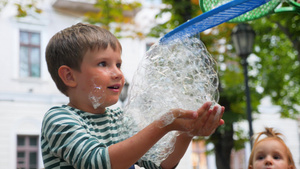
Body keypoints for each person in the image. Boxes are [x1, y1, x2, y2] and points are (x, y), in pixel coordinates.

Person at [41, 23, 225, 169]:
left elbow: (159, 164)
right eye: (103, 64)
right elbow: (99, 163)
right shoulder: (59, 119)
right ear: (69, 76)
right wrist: (163, 125)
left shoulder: (121, 120)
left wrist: (185, 134)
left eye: (118, 65)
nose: (118, 74)